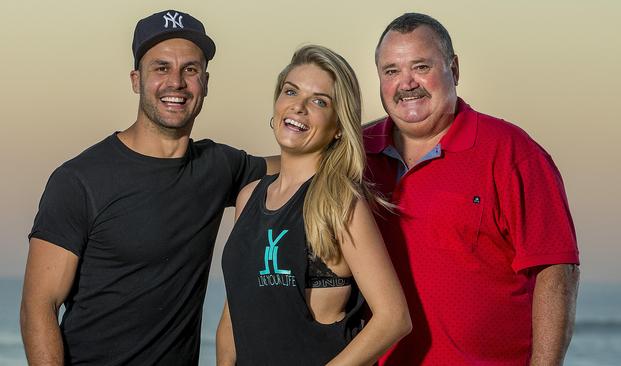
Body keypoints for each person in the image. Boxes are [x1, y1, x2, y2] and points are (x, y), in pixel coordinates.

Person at [20, 10, 277, 365]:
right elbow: (39, 307)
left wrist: (366, 132)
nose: (177, 82)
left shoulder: (218, 166)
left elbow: (300, 161)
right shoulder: (79, 180)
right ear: (136, 80)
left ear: (205, 82)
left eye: (190, 69)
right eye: (161, 68)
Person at [363, 13, 580, 365]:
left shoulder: (512, 152)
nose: (407, 83)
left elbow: (556, 271)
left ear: (455, 69)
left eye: (421, 66)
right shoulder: (355, 156)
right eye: (391, 71)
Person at [216, 45, 411, 365]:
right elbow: (234, 314)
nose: (299, 107)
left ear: (337, 127)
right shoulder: (248, 196)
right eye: (291, 92)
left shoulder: (339, 203)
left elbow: (394, 318)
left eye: (319, 101)